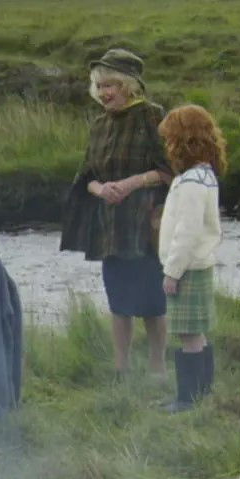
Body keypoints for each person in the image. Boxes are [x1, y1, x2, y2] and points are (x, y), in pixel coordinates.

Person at [61, 48, 173, 377]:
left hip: (146, 222)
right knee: (119, 302)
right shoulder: (99, 125)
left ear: (129, 85)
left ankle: (157, 368)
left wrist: (130, 184)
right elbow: (86, 175)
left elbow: (169, 169)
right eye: (99, 86)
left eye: (110, 85)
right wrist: (102, 189)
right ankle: (121, 369)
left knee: (152, 302)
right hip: (110, 225)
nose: (103, 93)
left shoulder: (153, 116)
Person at [156, 105, 227, 411]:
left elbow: (187, 231)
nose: (167, 145)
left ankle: (188, 398)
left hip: (188, 268)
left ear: (183, 140)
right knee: (196, 331)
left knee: (188, 333)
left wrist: (172, 271)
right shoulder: (204, 175)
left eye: (169, 139)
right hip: (197, 265)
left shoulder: (192, 182)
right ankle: (203, 393)